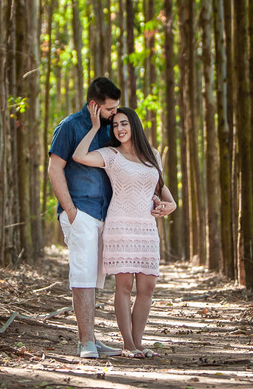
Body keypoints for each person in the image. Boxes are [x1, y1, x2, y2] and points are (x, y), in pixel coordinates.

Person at [73, 106, 177, 358]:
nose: (119, 129)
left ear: (134, 125)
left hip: (146, 227)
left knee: (147, 286)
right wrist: (95, 127)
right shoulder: (111, 155)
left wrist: (171, 204)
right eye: (115, 125)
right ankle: (128, 344)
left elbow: (160, 187)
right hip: (120, 225)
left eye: (124, 123)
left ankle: (139, 343)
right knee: (125, 285)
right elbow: (79, 156)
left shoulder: (152, 154)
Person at [47, 77, 123, 359]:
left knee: (94, 277)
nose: (115, 113)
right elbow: (54, 169)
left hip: (105, 213)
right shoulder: (69, 126)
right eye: (110, 108)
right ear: (94, 105)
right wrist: (71, 212)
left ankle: (91, 338)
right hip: (81, 211)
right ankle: (85, 343)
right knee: (82, 275)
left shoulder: (109, 129)